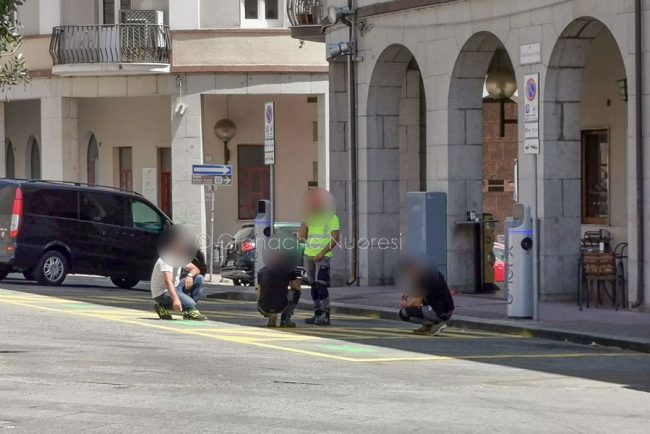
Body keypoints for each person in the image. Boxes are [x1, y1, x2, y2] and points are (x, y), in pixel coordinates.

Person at [298, 189, 339, 326]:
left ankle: (325, 314)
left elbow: (335, 238)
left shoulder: (332, 217)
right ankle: (317, 314)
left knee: (321, 285)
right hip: (309, 255)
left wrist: (322, 253)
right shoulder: (310, 218)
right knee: (313, 286)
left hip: (323, 256)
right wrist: (304, 221)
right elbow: (302, 236)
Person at [150, 226, 207, 321]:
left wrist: (189, 276)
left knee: (199, 278)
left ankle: (190, 311)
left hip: (176, 287)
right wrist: (176, 299)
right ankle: (162, 307)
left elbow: (195, 269)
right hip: (162, 293)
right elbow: (168, 282)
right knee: (190, 304)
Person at [257, 235, 302, 328]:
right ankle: (285, 320)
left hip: (262, 306)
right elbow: (297, 287)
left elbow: (259, 292)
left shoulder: (262, 271)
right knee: (296, 292)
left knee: (264, 292)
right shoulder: (288, 269)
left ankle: (269, 313)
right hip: (281, 305)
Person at [398, 261, 454, 335]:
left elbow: (416, 303)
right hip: (446, 310)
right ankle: (430, 325)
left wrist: (405, 304)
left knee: (403, 313)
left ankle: (433, 324)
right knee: (424, 303)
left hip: (439, 312)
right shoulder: (431, 274)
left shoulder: (425, 280)